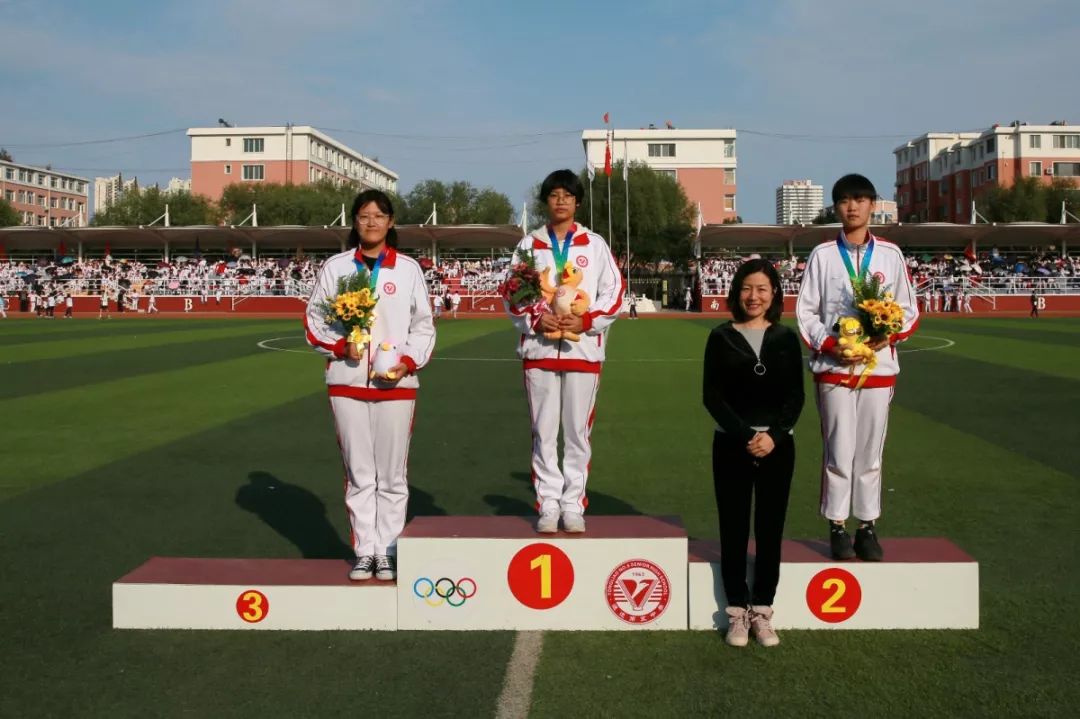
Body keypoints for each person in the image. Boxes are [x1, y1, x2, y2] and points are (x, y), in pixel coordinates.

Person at [305, 189, 436, 582]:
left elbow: (424, 326)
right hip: (346, 381)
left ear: (391, 222)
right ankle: (365, 550)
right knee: (360, 472)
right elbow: (314, 321)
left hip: (396, 383)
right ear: (355, 222)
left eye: (379, 215)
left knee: (393, 474)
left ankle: (390, 550)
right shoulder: (336, 267)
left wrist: (407, 363)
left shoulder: (408, 269)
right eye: (364, 215)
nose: (372, 222)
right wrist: (341, 346)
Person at [796, 174, 919, 562]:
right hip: (833, 369)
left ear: (872, 205)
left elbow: (910, 310)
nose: (852, 207)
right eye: (845, 201)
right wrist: (832, 345)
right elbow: (805, 312)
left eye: (860, 200)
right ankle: (836, 526)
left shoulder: (890, 255)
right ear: (836, 207)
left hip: (878, 368)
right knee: (839, 449)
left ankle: (867, 526)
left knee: (870, 451)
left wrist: (887, 336)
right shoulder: (822, 255)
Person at [505, 169, 623, 534]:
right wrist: (535, 320)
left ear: (577, 202)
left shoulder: (594, 244)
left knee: (576, 433)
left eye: (567, 195)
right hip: (539, 350)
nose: (560, 201)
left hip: (583, 350)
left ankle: (573, 504)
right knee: (543, 431)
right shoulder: (529, 244)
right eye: (554, 195)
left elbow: (614, 294)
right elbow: (511, 291)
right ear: (546, 201)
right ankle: (548, 504)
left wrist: (586, 322)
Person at [704, 258, 805, 648]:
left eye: (762, 289)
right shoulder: (721, 336)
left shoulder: (784, 337)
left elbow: (795, 396)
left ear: (774, 293)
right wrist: (747, 434)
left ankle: (762, 610)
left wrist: (774, 436)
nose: (754, 296)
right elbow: (711, 396)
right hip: (731, 443)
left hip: (778, 447)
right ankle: (736, 612)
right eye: (747, 288)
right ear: (736, 292)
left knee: (769, 528)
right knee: (733, 527)